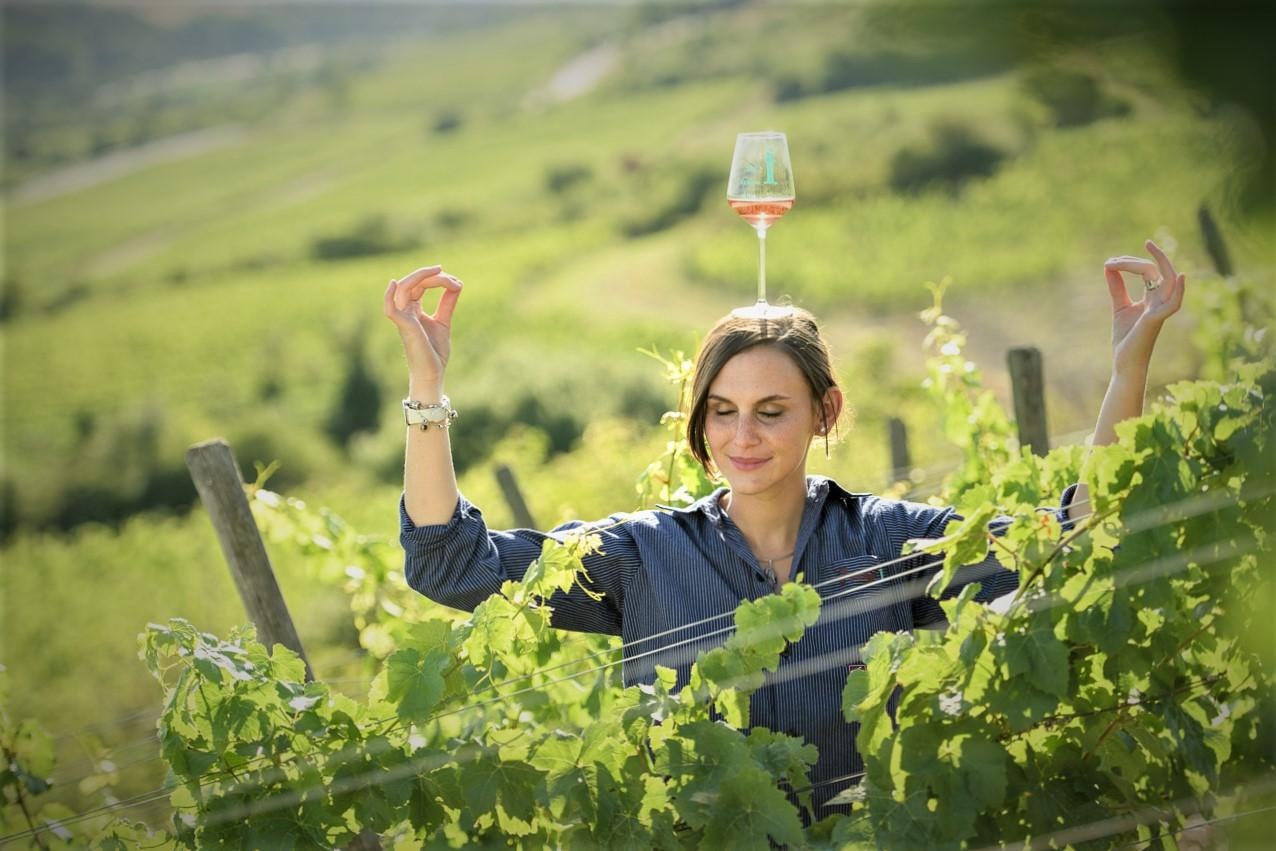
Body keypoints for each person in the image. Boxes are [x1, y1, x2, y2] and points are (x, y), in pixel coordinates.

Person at [382, 240, 1185, 817]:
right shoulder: (640, 554)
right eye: (722, 412)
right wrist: (428, 386)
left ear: (824, 411)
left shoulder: (890, 539)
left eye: (772, 412)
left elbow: (1077, 539)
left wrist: (1128, 368)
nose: (743, 438)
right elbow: (452, 565)